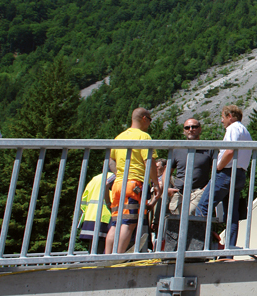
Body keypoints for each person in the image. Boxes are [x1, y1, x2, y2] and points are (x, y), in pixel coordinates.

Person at [105, 108, 161, 254]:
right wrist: (156, 183)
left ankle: (107, 256)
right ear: (144, 118)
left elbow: (112, 161)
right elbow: (149, 161)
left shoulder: (119, 137)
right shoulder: (144, 137)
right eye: (150, 120)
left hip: (118, 184)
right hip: (134, 184)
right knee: (128, 223)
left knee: (115, 222)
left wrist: (120, 174)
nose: (149, 124)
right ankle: (118, 255)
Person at [196, 105, 251, 249]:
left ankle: (201, 245)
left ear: (230, 116)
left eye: (223, 117)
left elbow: (229, 151)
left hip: (226, 173)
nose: (222, 121)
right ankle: (228, 251)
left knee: (202, 208)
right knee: (232, 215)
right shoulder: (245, 131)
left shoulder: (232, 128)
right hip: (240, 174)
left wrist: (218, 166)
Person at [167, 118, 214, 215]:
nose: (191, 129)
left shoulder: (209, 148)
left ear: (200, 129)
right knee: (175, 222)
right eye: (187, 127)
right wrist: (167, 188)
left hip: (198, 191)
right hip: (179, 192)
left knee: (190, 216)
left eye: (194, 127)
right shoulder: (177, 149)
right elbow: (166, 172)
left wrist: (205, 189)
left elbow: (216, 172)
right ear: (184, 131)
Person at [79, 170, 115, 254]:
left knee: (93, 250)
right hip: (107, 218)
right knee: (105, 250)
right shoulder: (116, 178)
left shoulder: (95, 178)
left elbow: (83, 200)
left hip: (90, 218)